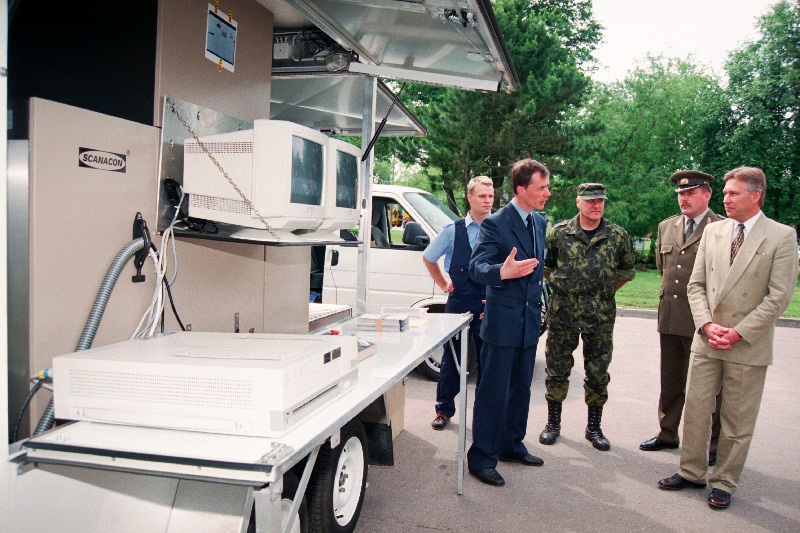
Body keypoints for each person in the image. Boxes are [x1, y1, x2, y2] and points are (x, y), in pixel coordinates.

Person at [658, 166, 798, 510]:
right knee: (696, 409)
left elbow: (779, 296)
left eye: (734, 193)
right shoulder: (715, 231)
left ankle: (724, 481)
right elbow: (696, 285)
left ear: (756, 195)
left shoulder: (781, 236)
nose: (726, 198)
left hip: (747, 343)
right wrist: (706, 325)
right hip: (707, 338)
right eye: (725, 193)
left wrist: (739, 332)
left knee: (736, 419)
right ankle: (691, 471)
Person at [466, 159, 551, 487]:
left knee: (521, 391)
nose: (547, 192)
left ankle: (511, 445)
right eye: (541, 187)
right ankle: (482, 458)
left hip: (528, 324)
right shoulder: (496, 224)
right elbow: (476, 267)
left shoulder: (539, 223)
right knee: (493, 393)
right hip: (501, 325)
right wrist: (502, 271)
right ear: (521, 189)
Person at [538, 183, 635, 451]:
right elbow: (547, 268)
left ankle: (594, 428)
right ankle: (553, 424)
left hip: (600, 318)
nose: (597, 206)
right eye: (590, 201)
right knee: (557, 370)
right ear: (578, 202)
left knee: (598, 373)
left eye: (600, 201)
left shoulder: (617, 235)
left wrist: (602, 292)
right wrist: (567, 288)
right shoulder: (559, 234)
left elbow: (627, 271)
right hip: (563, 315)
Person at [640, 171, 723, 466]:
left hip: (705, 320)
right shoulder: (667, 226)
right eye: (680, 194)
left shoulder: (722, 228)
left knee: (710, 386)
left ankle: (713, 444)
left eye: (690, 193)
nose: (683, 198)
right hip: (672, 316)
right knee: (671, 379)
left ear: (707, 195)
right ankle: (667, 432)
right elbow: (666, 270)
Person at [422, 175, 494, 430]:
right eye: (482, 196)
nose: (487, 201)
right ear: (470, 198)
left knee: (488, 360)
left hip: (488, 304)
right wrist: (443, 284)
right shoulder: (453, 231)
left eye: (491, 196)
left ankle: (484, 417)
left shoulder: (498, 229)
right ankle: (443, 410)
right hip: (459, 302)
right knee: (452, 358)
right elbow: (429, 257)